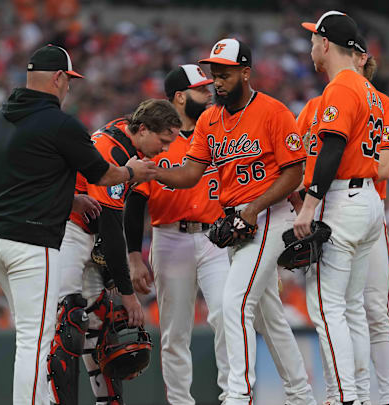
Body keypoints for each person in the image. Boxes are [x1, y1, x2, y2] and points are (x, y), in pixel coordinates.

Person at [0, 44, 155, 405]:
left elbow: (21, 173)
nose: (69, 88)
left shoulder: (2, 115)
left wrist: (70, 198)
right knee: (36, 341)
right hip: (29, 241)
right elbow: (105, 174)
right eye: (68, 81)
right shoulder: (60, 123)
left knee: (30, 334)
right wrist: (132, 171)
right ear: (58, 78)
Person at [155, 38, 316, 405]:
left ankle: (238, 396)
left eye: (225, 74)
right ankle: (301, 394)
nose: (218, 82)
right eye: (214, 75)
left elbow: (294, 172)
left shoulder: (273, 112)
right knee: (268, 315)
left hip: (271, 216)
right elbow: (191, 173)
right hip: (239, 222)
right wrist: (150, 173)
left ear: (246, 72)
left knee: (235, 302)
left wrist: (256, 207)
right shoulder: (210, 119)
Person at [50, 98, 181, 405]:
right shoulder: (113, 150)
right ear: (144, 129)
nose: (164, 149)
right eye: (163, 141)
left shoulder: (125, 137)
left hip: (84, 230)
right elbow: (110, 226)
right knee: (68, 322)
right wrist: (128, 293)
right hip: (66, 229)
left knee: (99, 323)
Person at [123, 65, 229, 405]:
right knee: (175, 332)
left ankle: (236, 397)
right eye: (201, 89)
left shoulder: (217, 131)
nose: (209, 93)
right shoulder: (154, 142)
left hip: (216, 237)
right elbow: (134, 204)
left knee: (229, 317)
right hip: (170, 236)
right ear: (180, 97)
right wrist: (134, 255)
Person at [296, 12, 385, 405]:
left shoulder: (342, 87)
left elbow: (331, 148)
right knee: (350, 308)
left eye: (315, 39)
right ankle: (358, 395)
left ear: (327, 44)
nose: (312, 45)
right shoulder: (367, 89)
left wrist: (308, 206)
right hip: (367, 199)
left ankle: (346, 397)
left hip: (342, 201)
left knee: (327, 306)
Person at [351, 35, 389, 405]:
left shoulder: (384, 105)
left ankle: (387, 399)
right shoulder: (321, 105)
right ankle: (352, 394)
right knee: (341, 310)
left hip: (366, 207)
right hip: (330, 211)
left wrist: (344, 166)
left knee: (374, 312)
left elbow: (384, 168)